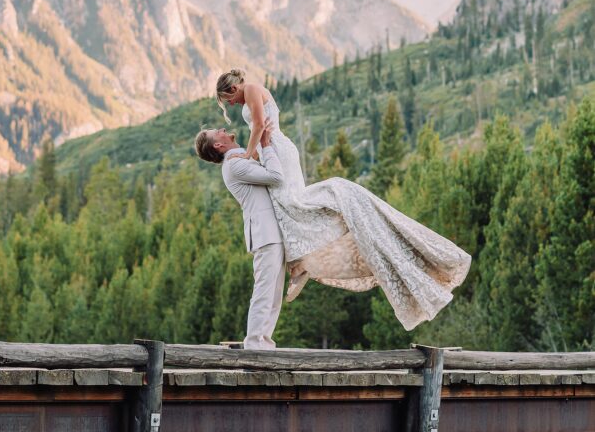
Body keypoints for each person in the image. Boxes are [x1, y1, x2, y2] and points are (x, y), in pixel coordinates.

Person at [213, 68, 472, 331]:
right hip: (272, 151)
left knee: (293, 204)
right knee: (286, 208)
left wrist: (248, 154)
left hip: (276, 149)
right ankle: (299, 262)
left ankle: (305, 252)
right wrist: (255, 154)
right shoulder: (248, 95)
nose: (232, 105)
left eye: (229, 100)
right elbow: (257, 129)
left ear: (233, 89)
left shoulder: (253, 90)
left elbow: (258, 125)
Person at [194, 118, 286, 350]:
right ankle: (255, 344)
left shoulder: (239, 160)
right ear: (218, 145)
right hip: (265, 233)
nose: (223, 129)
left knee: (274, 294)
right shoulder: (234, 165)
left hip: (272, 232)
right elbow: (276, 177)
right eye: (218, 131)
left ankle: (264, 342)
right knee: (265, 290)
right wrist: (265, 145)